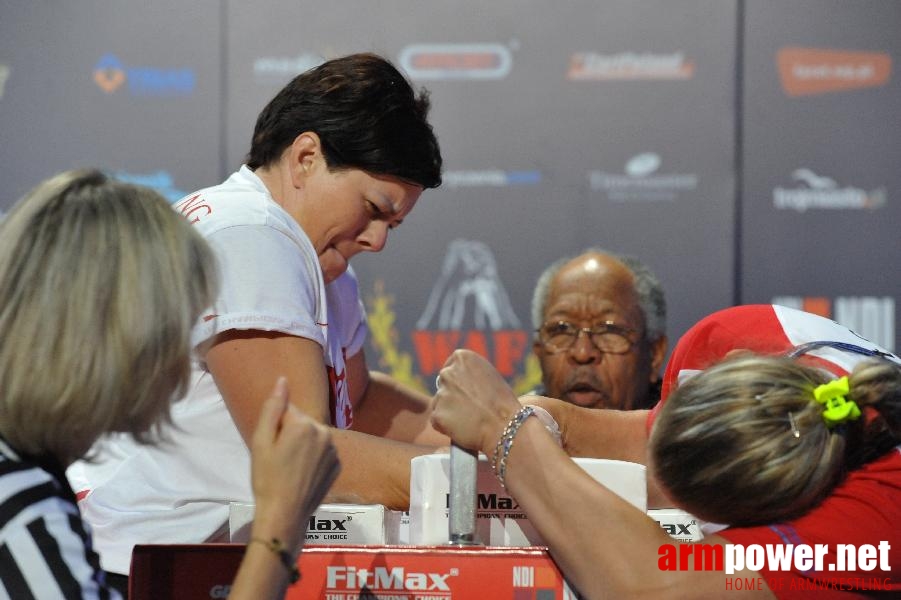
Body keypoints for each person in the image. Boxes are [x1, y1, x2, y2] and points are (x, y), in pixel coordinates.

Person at [70, 52, 449, 578]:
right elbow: (301, 450)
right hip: (133, 566)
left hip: (190, 559)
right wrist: (494, 478)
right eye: (373, 209)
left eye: (395, 225)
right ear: (306, 157)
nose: (378, 240)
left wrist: (491, 432)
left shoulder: (312, 258)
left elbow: (357, 403)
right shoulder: (251, 233)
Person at [0, 170, 340, 599]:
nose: (184, 363)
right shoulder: (23, 510)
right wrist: (278, 526)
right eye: (178, 325)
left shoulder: (29, 480)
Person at [431, 304, 900, 598]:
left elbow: (651, 586)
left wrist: (505, 429)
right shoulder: (727, 341)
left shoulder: (875, 515)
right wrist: (536, 417)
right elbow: (647, 448)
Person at [530, 248, 668, 410]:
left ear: (654, 355)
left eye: (609, 330)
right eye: (561, 329)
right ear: (539, 355)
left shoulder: (687, 432)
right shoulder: (508, 430)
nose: (582, 353)